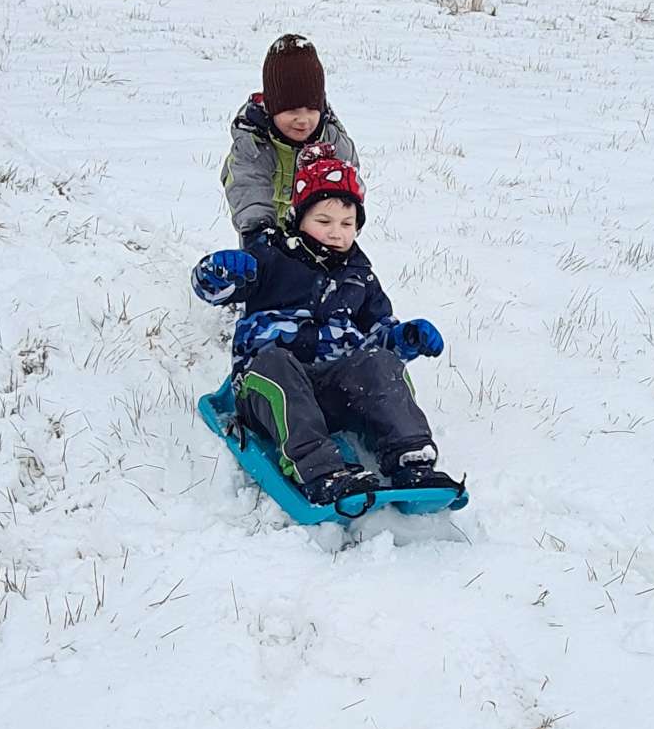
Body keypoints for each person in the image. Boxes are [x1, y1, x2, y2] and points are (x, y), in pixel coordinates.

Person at [192, 145, 456, 509]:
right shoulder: (270, 257)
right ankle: (321, 470)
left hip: (333, 392)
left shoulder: (360, 277)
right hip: (268, 391)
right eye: (324, 221)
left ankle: (410, 459)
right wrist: (218, 272)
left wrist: (406, 339)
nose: (336, 233)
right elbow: (213, 290)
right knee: (276, 363)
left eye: (347, 224)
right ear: (299, 218)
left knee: (378, 363)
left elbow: (379, 340)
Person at [221, 33, 359, 243]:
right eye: (291, 110)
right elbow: (247, 186)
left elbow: (350, 187)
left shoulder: (331, 142)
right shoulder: (255, 143)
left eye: (311, 109)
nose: (303, 120)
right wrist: (258, 232)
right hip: (265, 232)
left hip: (318, 234)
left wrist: (344, 223)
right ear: (272, 108)